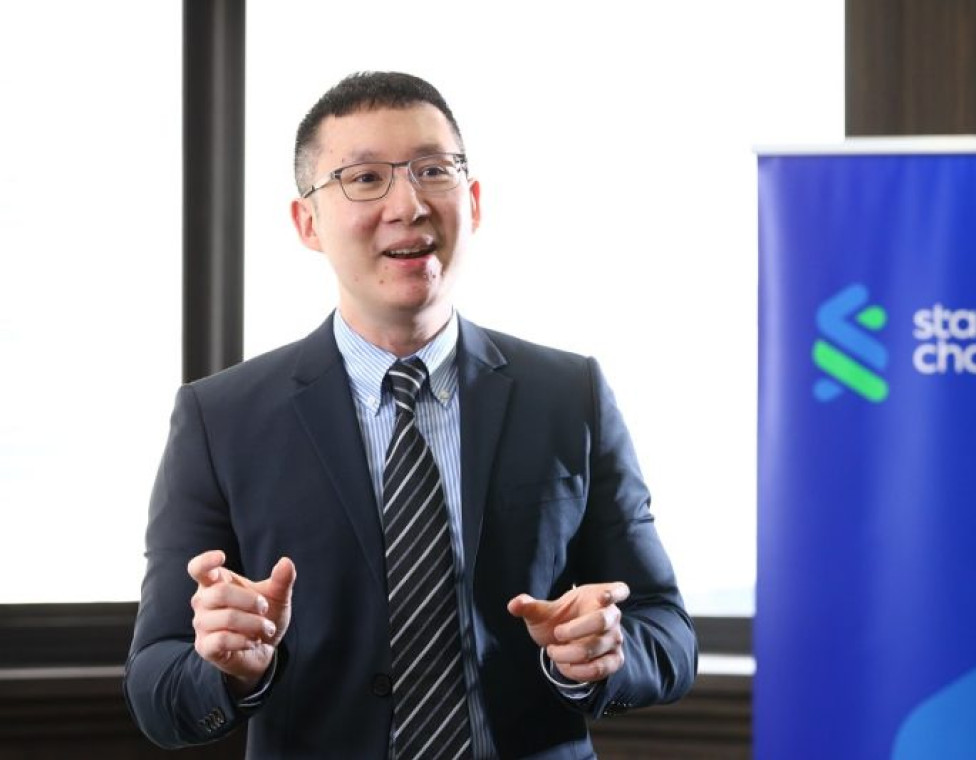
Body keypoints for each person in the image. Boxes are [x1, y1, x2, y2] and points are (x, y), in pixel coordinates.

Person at [124, 71, 697, 759]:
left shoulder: (569, 395)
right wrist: (231, 670)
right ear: (307, 223)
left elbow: (668, 633)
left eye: (433, 171)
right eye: (365, 178)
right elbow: (157, 690)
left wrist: (605, 652)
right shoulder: (221, 420)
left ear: (472, 201)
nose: (409, 204)